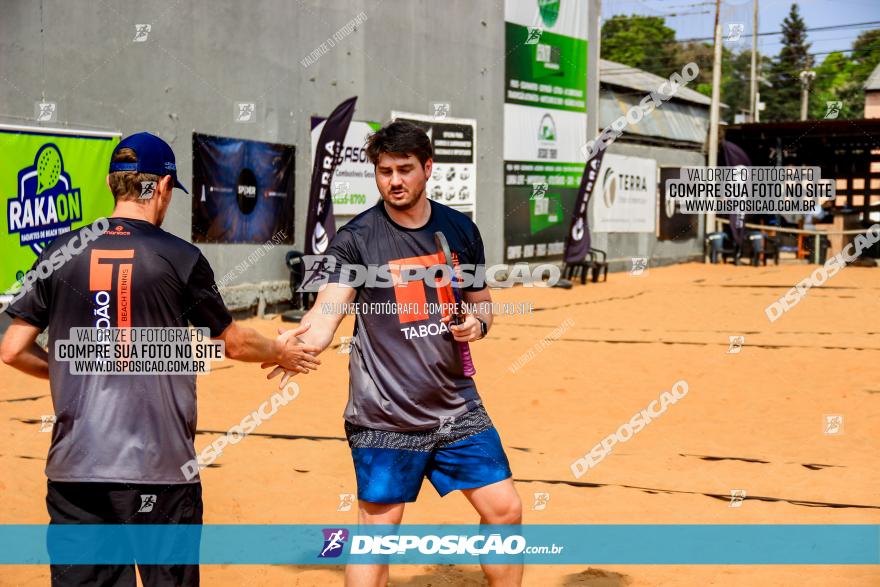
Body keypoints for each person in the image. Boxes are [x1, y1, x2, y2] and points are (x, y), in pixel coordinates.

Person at [0, 132, 319, 587]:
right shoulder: (179, 256)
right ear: (163, 187)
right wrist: (282, 350)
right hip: (159, 468)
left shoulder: (58, 253)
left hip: (76, 468)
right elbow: (235, 343)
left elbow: (11, 349)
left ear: (114, 184)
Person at [268, 121, 522, 586]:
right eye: (385, 172)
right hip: (384, 413)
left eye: (405, 170)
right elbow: (329, 309)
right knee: (377, 536)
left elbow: (483, 302)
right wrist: (298, 343)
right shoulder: (358, 238)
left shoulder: (460, 230)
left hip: (455, 407)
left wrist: (478, 324)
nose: (395, 181)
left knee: (506, 511)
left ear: (428, 167)